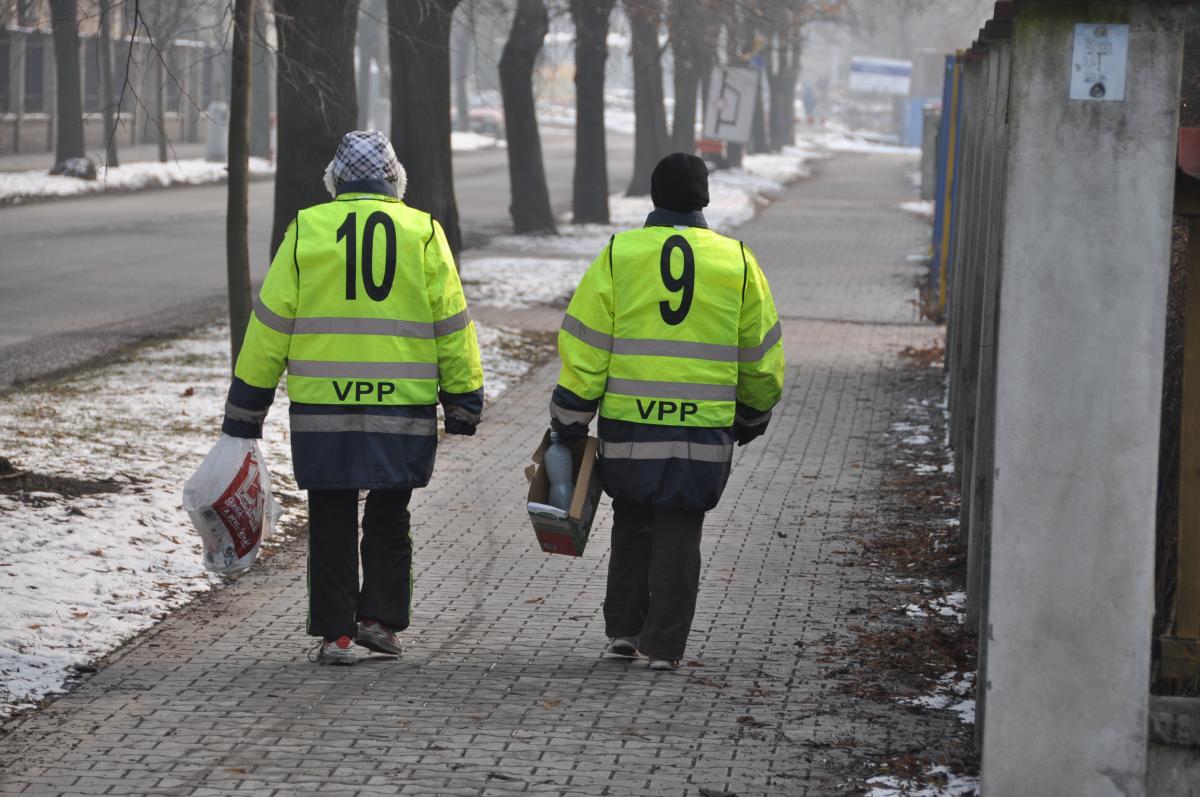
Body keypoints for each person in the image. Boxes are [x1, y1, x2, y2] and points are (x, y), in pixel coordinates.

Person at [221, 130, 484, 665]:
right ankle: (379, 622)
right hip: (402, 403)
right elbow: (451, 325)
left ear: (335, 181)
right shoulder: (424, 232)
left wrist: (246, 409)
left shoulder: (306, 230)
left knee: (331, 513)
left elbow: (269, 325)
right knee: (391, 511)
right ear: (395, 179)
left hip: (324, 406)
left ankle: (337, 635)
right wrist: (462, 399)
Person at [549, 152, 785, 670]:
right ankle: (664, 646)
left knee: (632, 519)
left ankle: (624, 631)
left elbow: (586, 347)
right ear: (703, 199)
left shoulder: (619, 255)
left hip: (630, 426)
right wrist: (751, 414)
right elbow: (762, 357)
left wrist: (569, 418)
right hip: (703, 429)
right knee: (681, 527)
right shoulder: (737, 262)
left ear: (654, 197)